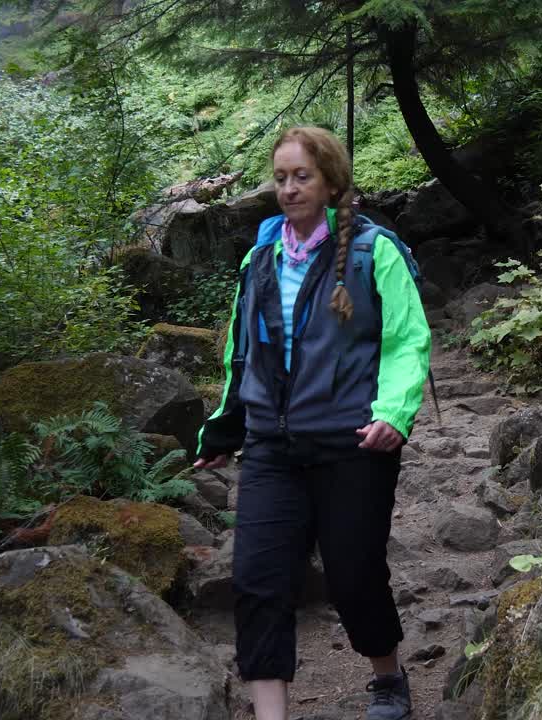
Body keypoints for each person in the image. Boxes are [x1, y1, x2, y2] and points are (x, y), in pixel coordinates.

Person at [193, 125, 431, 720]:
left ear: (330, 182)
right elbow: (242, 353)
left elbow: (407, 340)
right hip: (271, 448)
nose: (289, 189)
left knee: (354, 577)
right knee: (258, 581)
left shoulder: (373, 251)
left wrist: (394, 413)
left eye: (302, 176)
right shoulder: (260, 259)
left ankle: (387, 677)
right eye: (281, 178)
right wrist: (226, 426)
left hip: (353, 442)